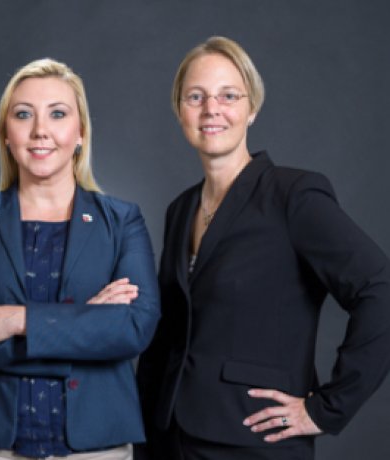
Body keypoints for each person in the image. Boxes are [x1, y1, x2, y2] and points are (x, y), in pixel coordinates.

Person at [136, 36, 390, 459]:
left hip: (254, 444)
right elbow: (169, 336)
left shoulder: (293, 196)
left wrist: (326, 410)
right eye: (195, 96)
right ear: (179, 110)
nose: (211, 108)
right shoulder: (180, 209)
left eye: (228, 95)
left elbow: (380, 289)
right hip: (171, 440)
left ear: (251, 108)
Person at [0, 58, 160, 460]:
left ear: (80, 133)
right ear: (6, 133)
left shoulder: (122, 221)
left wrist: (15, 321)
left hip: (96, 449)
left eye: (57, 113)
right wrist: (85, 327)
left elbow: (134, 329)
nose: (40, 130)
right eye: (23, 115)